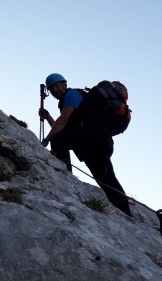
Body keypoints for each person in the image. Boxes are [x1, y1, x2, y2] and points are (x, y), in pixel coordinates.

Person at [39, 73, 133, 216]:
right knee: (104, 178)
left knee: (107, 178)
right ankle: (125, 212)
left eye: (57, 86)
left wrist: (45, 140)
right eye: (52, 89)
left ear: (65, 84)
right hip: (92, 141)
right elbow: (62, 129)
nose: (55, 90)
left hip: (95, 139)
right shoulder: (69, 100)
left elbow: (62, 121)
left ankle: (64, 174)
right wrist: (48, 117)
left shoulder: (72, 95)